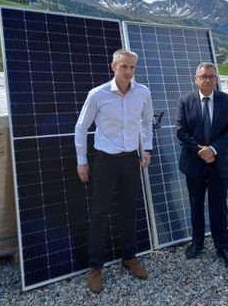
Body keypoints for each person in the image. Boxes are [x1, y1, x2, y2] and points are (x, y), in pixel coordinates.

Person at [75, 49, 153, 293]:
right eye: (123, 67)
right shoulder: (97, 95)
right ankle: (96, 267)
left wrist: (147, 148)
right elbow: (81, 127)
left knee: (129, 209)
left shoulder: (143, 93)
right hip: (105, 161)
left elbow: (147, 121)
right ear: (113, 67)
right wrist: (82, 160)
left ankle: (129, 257)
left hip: (131, 160)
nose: (128, 72)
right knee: (100, 212)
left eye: (132, 67)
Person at [176, 62, 228, 270]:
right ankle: (197, 242)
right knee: (196, 205)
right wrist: (200, 150)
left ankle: (223, 247)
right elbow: (181, 131)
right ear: (196, 79)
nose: (208, 80)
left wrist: (212, 150)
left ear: (216, 79)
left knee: (219, 207)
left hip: (217, 163)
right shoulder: (185, 101)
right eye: (203, 76)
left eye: (212, 76)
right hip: (194, 164)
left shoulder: (226, 100)